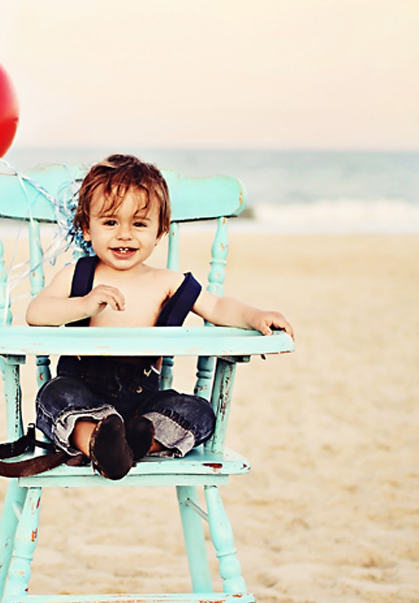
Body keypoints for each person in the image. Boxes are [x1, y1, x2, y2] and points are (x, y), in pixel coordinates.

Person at [27, 154, 294, 480]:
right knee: (55, 396)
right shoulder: (77, 276)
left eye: (139, 224)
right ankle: (98, 443)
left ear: (160, 231)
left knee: (198, 411)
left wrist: (255, 316)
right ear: (86, 227)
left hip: (145, 402)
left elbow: (218, 307)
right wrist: (82, 305)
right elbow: (36, 313)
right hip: (84, 391)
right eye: (110, 223)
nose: (124, 235)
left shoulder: (167, 282)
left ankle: (137, 444)